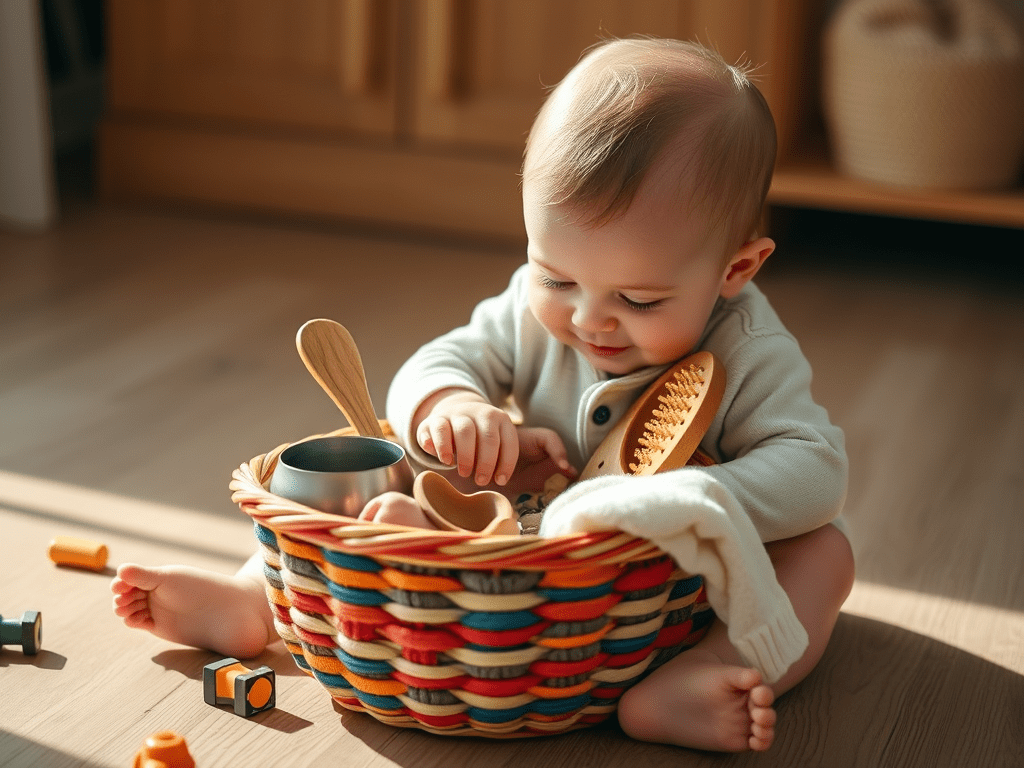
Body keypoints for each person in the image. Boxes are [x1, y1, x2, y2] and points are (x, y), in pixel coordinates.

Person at [112, 38, 855, 754]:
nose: (588, 318)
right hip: (509, 534)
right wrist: (454, 410)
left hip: (659, 574)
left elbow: (816, 469)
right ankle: (261, 601)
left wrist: (690, 500)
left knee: (825, 553)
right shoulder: (526, 312)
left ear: (737, 269)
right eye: (556, 277)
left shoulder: (748, 350)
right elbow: (442, 360)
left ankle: (699, 675)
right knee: (367, 456)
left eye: (637, 297)